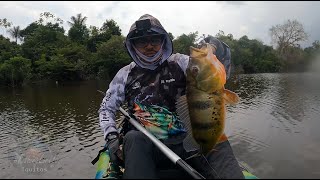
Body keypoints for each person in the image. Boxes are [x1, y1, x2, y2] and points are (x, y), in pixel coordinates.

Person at [98, 14, 244, 179]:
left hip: (189, 140)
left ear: (163, 40)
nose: (149, 46)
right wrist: (111, 136)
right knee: (132, 138)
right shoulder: (124, 74)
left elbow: (212, 74)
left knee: (216, 141)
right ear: (132, 45)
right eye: (141, 41)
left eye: (155, 39)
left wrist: (219, 47)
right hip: (148, 145)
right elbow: (106, 108)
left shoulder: (181, 62)